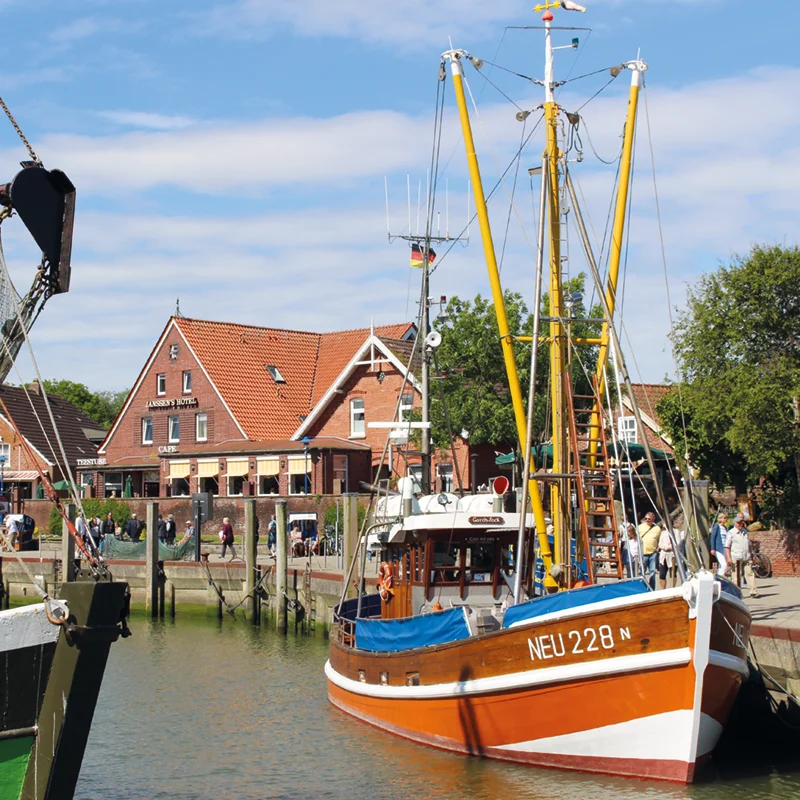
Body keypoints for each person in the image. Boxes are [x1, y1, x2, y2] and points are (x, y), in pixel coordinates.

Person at [726, 514, 759, 597]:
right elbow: (727, 546)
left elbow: (748, 544)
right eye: (738, 523)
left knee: (750, 573)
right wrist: (728, 558)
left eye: (741, 523)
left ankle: (753, 591)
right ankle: (736, 593)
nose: (740, 524)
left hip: (746, 556)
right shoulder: (731, 533)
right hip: (736, 557)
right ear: (735, 523)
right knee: (736, 576)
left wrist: (751, 555)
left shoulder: (745, 531)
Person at [638, 512, 661, 587]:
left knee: (652, 572)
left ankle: (652, 588)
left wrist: (658, 548)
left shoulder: (657, 529)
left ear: (653, 520)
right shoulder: (639, 527)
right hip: (643, 553)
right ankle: (642, 587)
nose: (647, 520)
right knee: (642, 572)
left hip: (653, 553)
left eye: (649, 519)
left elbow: (659, 540)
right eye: (646, 518)